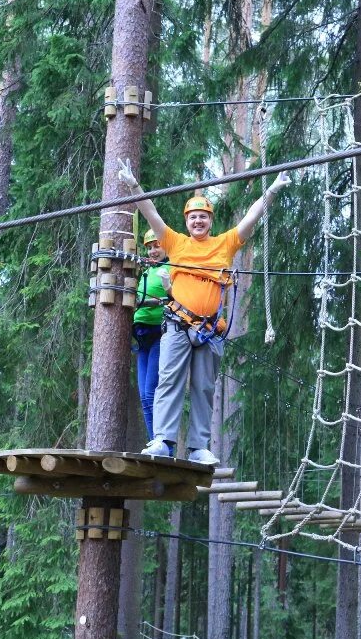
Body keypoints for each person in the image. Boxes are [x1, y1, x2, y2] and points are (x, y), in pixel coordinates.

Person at [117, 160, 292, 465]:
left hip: (209, 329)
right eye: (193, 217)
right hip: (177, 324)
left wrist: (272, 192)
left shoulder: (224, 244)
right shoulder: (176, 243)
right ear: (187, 221)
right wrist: (133, 186)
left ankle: (198, 446)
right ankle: (163, 440)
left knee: (204, 387)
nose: (198, 221)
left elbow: (251, 217)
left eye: (203, 217)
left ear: (210, 220)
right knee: (169, 380)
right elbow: (152, 214)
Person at [133, 228, 170, 441]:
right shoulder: (146, 271)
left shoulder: (171, 268)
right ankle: (154, 441)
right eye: (149, 247)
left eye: (157, 245)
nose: (153, 251)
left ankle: (162, 443)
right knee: (144, 396)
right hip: (142, 336)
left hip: (160, 333)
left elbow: (174, 296)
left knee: (151, 392)